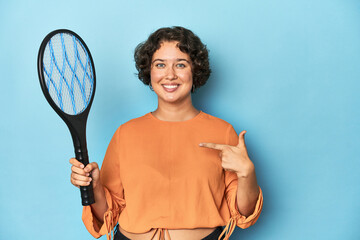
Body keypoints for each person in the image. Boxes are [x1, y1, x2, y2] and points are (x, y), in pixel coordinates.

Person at [70, 26, 263, 240]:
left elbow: (244, 212)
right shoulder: (125, 133)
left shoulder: (222, 131)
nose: (170, 75)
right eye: (160, 65)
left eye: (180, 64)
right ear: (149, 71)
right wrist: (95, 187)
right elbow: (107, 213)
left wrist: (247, 173)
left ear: (195, 70)